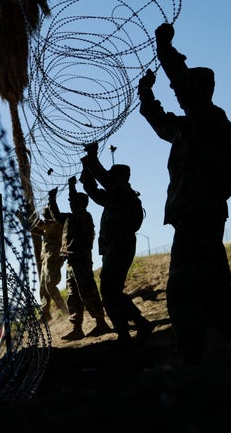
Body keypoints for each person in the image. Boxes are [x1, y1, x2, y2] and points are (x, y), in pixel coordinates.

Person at [137, 23, 231, 365]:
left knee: (182, 289)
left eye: (189, 91)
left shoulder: (211, 120)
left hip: (201, 214)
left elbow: (183, 85)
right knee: (213, 288)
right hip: (196, 216)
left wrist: (165, 49)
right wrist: (145, 95)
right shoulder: (189, 128)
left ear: (204, 91)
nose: (182, 95)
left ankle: (191, 357)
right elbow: (159, 122)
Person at [79, 143, 154, 347]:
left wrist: (91, 157)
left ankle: (137, 325)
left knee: (111, 291)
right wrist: (86, 168)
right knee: (110, 292)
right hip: (114, 247)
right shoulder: (115, 196)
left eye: (113, 177)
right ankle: (127, 330)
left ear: (120, 178)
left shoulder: (122, 194)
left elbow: (102, 179)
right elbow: (93, 191)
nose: (109, 179)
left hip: (120, 246)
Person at [53, 176, 112, 341]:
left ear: (81, 204)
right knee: (73, 295)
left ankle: (101, 322)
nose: (71, 204)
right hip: (71, 261)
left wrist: (71, 186)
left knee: (87, 291)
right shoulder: (70, 218)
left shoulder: (84, 216)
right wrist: (52, 200)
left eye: (74, 202)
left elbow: (72, 201)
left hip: (80, 259)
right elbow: (56, 215)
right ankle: (76, 328)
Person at [31, 188, 69, 322]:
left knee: (50, 286)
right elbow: (34, 229)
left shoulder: (54, 225)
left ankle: (64, 310)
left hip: (53, 259)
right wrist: (21, 217)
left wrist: (30, 212)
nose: (43, 217)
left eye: (45, 214)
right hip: (46, 260)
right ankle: (45, 313)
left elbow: (38, 225)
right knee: (43, 288)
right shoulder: (48, 229)